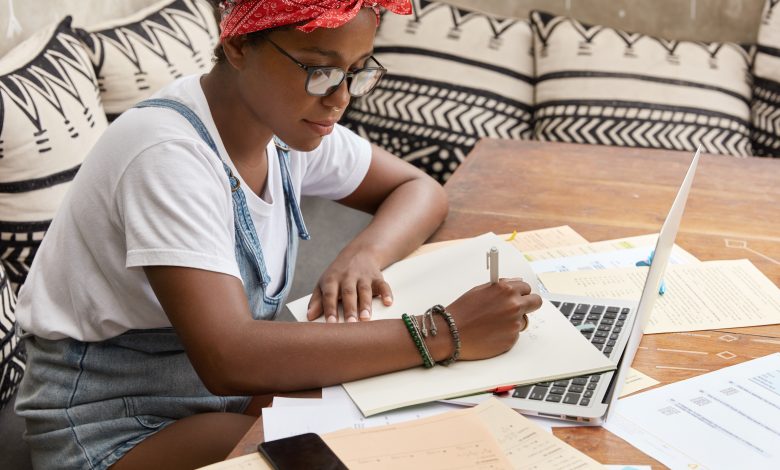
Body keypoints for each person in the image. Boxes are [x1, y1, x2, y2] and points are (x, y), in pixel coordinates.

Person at [14, 1, 543, 469]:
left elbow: (419, 188)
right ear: (240, 44)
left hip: (213, 394)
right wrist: (443, 331)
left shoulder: (282, 129)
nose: (340, 99)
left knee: (413, 421)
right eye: (319, 70)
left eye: (358, 73)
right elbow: (231, 357)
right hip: (114, 425)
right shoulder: (168, 155)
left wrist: (362, 254)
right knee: (345, 455)